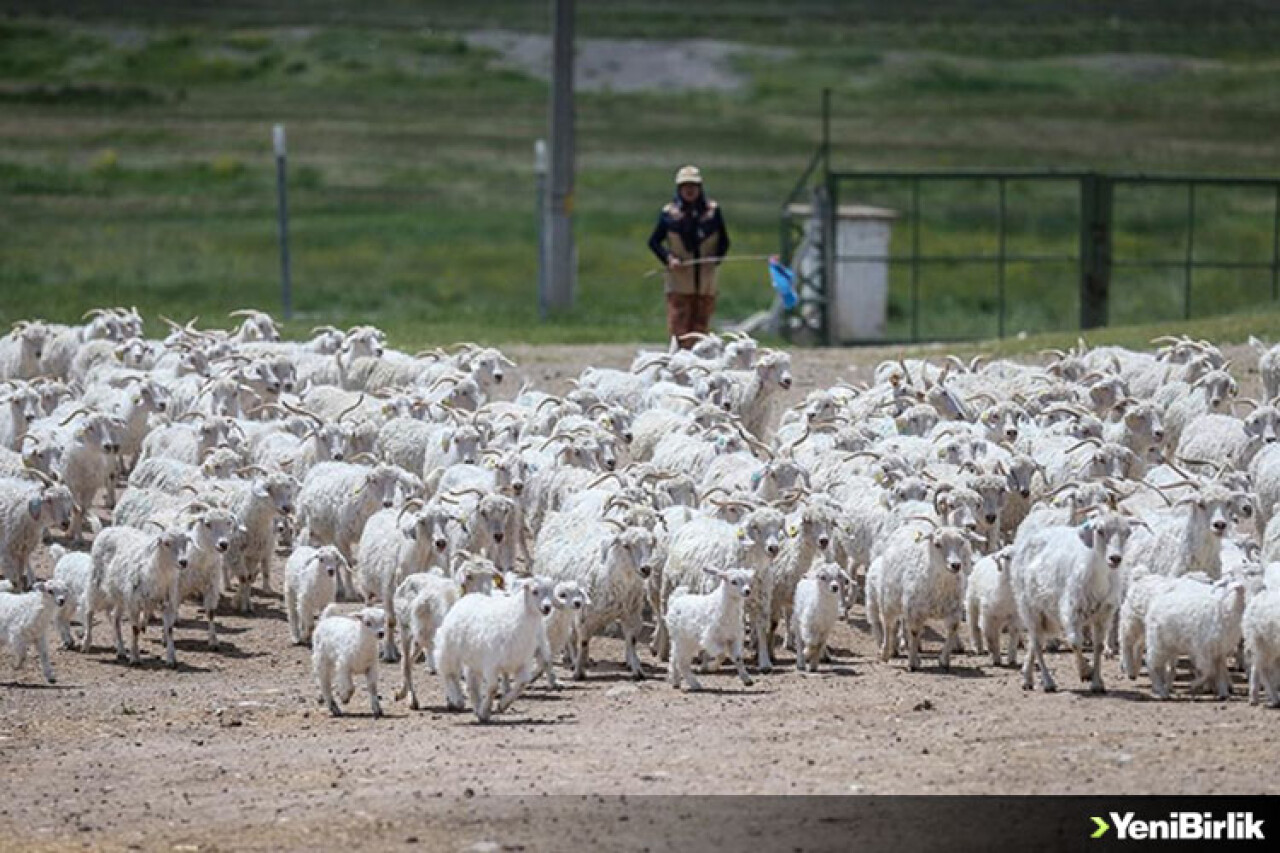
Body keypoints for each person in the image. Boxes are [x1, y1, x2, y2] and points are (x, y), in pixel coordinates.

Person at [647, 165, 730, 348]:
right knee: (680, 328)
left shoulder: (712, 212)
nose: (690, 190)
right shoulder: (669, 214)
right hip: (679, 282)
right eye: (685, 186)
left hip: (706, 282)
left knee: (701, 327)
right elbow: (654, 242)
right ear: (679, 189)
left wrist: (715, 259)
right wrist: (669, 258)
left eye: (693, 185)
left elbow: (724, 242)